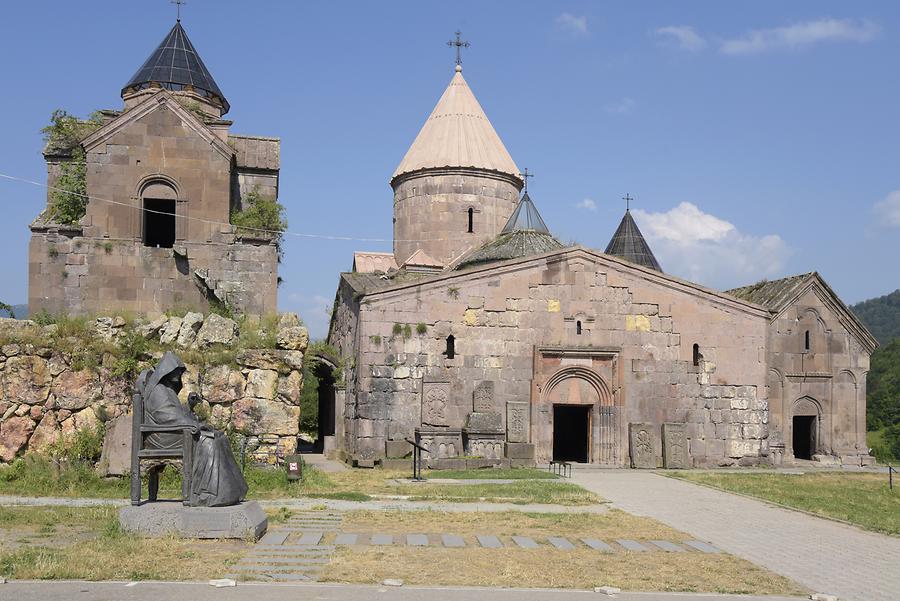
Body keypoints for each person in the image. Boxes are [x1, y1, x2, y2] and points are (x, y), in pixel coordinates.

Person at [141, 351, 248, 507]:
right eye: (175, 371)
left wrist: (189, 406)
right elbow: (165, 416)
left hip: (172, 431)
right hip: (162, 438)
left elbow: (176, 414)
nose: (178, 375)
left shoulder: (168, 391)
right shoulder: (157, 391)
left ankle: (231, 491)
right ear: (166, 371)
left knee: (219, 437)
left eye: (180, 372)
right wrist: (195, 425)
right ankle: (206, 493)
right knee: (208, 441)